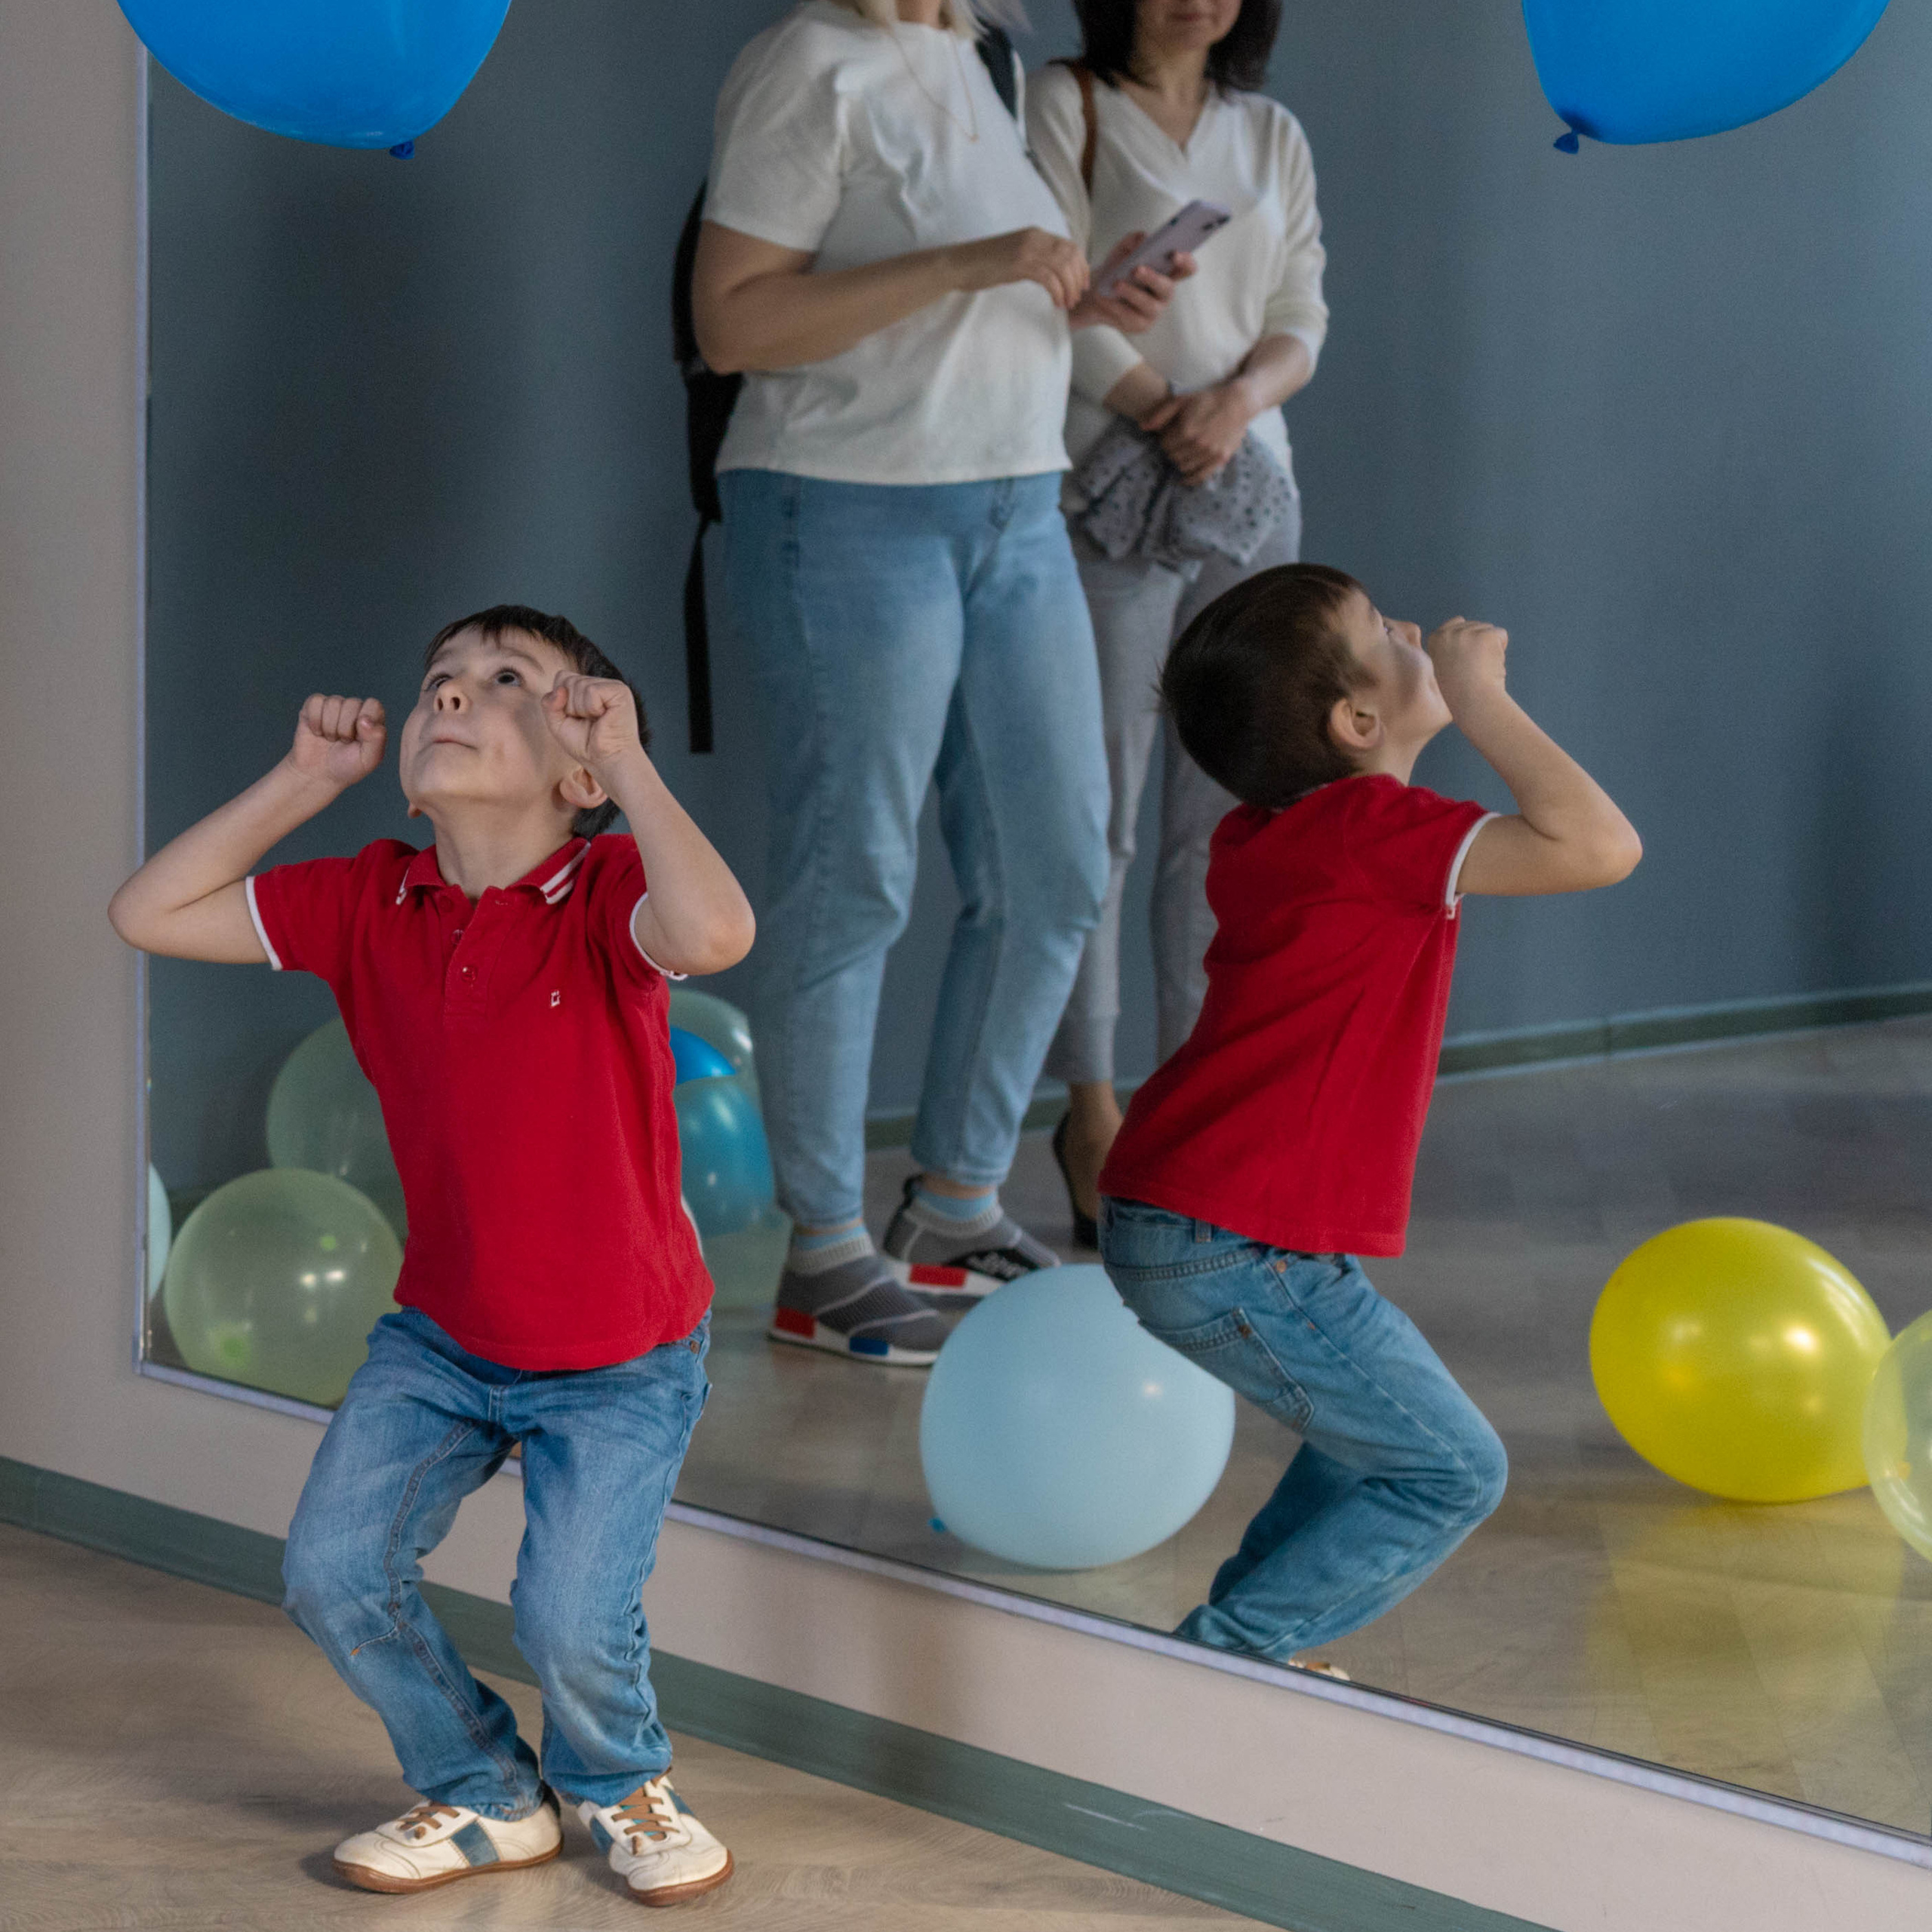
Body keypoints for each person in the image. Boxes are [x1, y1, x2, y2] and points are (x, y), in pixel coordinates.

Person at [106, 608, 754, 1904]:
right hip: (444, 1336)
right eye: (439, 683)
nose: (454, 697)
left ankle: (621, 1780)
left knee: (571, 1619)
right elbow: (148, 910)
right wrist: (304, 783)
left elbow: (718, 934)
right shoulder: (369, 895)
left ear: (579, 765)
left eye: (506, 683)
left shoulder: (608, 894)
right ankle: (483, 1791)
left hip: (620, 1352)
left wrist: (633, 771)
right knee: (334, 1572)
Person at [693, 0, 1191, 1366]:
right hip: (848, 509)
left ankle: (955, 1204)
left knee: (1055, 867)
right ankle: (825, 1257)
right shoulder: (811, 65)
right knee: (854, 876)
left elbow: (978, 303)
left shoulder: (983, 58)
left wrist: (1083, 293)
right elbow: (734, 320)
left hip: (1016, 508)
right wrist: (972, 261)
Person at [1097, 568, 1641, 1664]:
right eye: (1385, 632)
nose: (1412, 627)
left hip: (1212, 1226)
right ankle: (1233, 1665)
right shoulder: (1364, 828)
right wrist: (1482, 698)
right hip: (1232, 1244)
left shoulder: (1280, 829)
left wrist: (1436, 690)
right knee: (1451, 1468)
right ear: (1356, 721)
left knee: (1367, 1447)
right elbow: (1599, 847)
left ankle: (1244, 1658)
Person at [1026, 0, 1329, 1245]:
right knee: (1091, 811)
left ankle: (1194, 1107)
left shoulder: (1272, 133)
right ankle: (1090, 1111)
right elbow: (1042, 290)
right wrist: (1165, 408)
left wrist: (1236, 404)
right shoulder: (1065, 102)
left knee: (1234, 819)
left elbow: (1301, 313)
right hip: (1105, 481)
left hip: (1250, 488)